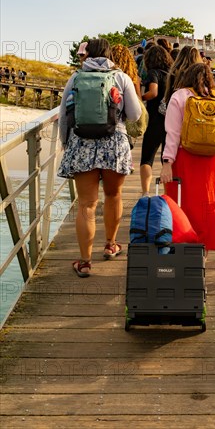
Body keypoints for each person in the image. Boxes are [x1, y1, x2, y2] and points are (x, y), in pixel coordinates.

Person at [58, 38, 142, 277]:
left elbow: (65, 115)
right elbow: (135, 115)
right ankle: (110, 244)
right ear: (109, 55)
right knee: (113, 195)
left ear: (89, 55)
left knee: (86, 204)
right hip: (114, 143)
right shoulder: (121, 77)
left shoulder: (75, 78)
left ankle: (85, 261)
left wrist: (67, 144)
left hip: (82, 143)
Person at [160, 63, 215, 252]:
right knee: (208, 207)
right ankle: (203, 252)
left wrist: (167, 162)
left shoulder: (179, 96)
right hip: (211, 160)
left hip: (185, 157)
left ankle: (182, 245)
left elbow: (172, 134)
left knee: (182, 205)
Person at [140, 45, 173, 196]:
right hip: (170, 122)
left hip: (154, 120)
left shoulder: (153, 73)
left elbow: (153, 92)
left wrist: (140, 97)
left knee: (147, 158)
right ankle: (166, 194)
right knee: (165, 160)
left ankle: (146, 193)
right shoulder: (172, 74)